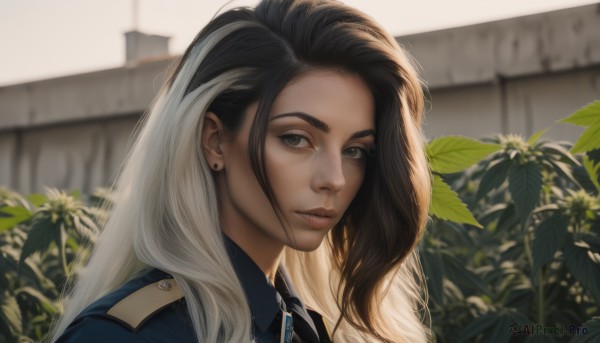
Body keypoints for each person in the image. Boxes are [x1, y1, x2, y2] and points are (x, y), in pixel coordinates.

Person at [50, 0, 431, 342]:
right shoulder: (122, 336)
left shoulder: (309, 326)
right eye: (296, 139)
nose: (335, 178)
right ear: (215, 140)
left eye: (355, 150)